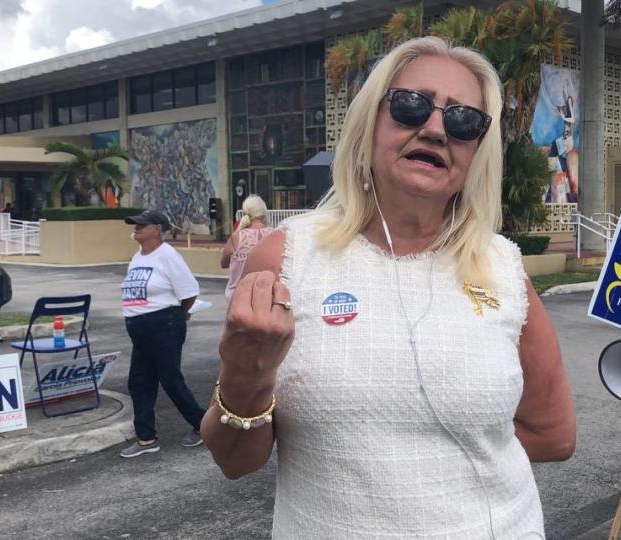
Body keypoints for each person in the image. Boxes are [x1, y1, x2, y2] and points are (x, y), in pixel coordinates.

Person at [200, 36, 576, 538]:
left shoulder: (502, 267)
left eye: (464, 120)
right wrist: (246, 371)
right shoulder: (289, 254)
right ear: (369, 123)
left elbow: (554, 434)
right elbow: (235, 461)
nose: (437, 128)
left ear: (477, 150)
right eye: (410, 106)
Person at [120, 209, 206, 457]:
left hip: (163, 324)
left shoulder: (168, 256)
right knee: (139, 383)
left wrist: (180, 314)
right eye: (134, 225)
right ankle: (146, 438)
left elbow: (189, 291)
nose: (135, 228)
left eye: (141, 225)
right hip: (140, 328)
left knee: (170, 380)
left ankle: (203, 425)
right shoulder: (137, 257)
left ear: (157, 228)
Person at [220, 195, 273, 310]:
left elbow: (223, 263)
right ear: (264, 213)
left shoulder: (237, 236)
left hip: (239, 297)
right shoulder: (275, 234)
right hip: (268, 296)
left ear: (245, 214)